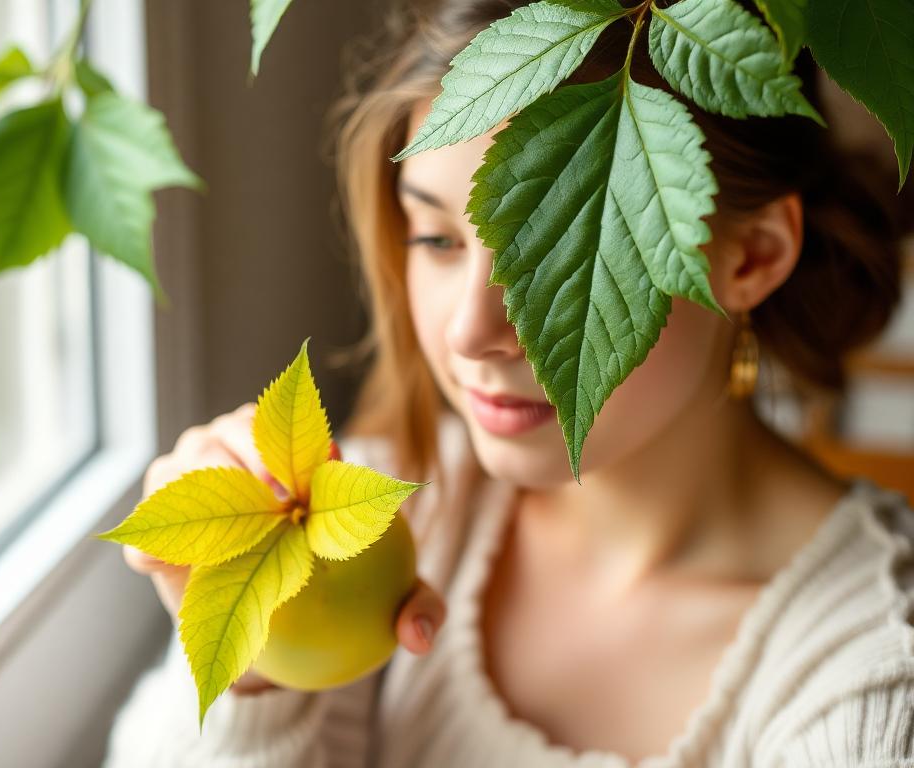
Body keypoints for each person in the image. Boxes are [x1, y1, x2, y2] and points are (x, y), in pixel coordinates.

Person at [103, 0, 914, 765]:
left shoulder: (870, 678)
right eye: (436, 240)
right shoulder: (390, 508)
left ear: (752, 255)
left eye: (554, 249)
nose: (468, 332)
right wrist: (247, 672)